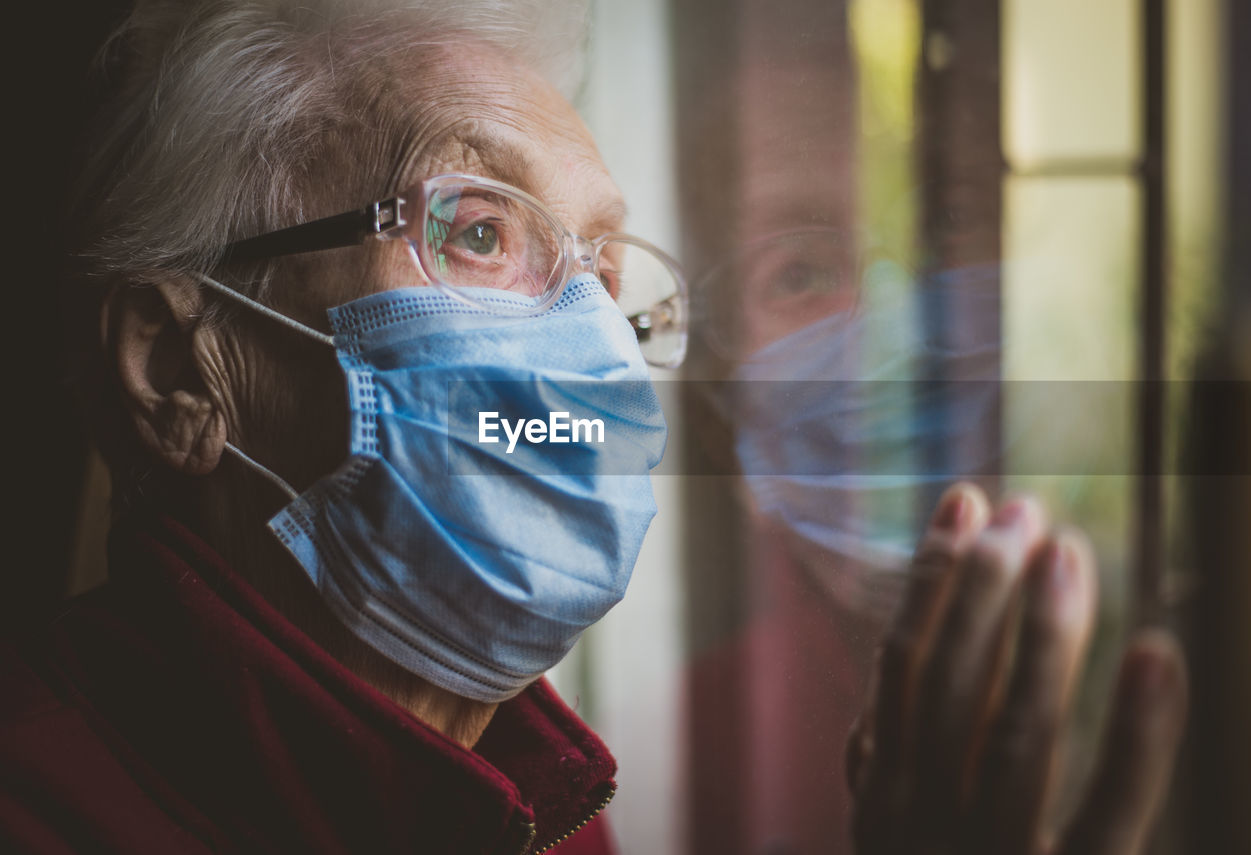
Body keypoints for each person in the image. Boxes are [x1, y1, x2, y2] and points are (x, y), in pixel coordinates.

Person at [1, 1, 1187, 853]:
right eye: (477, 231)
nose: (595, 345)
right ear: (176, 368)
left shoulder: (544, 820)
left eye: (611, 282)